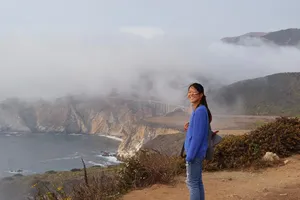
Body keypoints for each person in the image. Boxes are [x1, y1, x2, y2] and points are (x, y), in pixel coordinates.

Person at [184, 83, 212, 200]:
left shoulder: (200, 111)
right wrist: (190, 126)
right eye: (189, 91)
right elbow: (197, 130)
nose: (191, 94)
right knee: (197, 182)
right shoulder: (199, 110)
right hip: (196, 153)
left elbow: (198, 137)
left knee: (192, 183)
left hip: (194, 154)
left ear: (201, 95)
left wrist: (189, 156)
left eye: (194, 92)